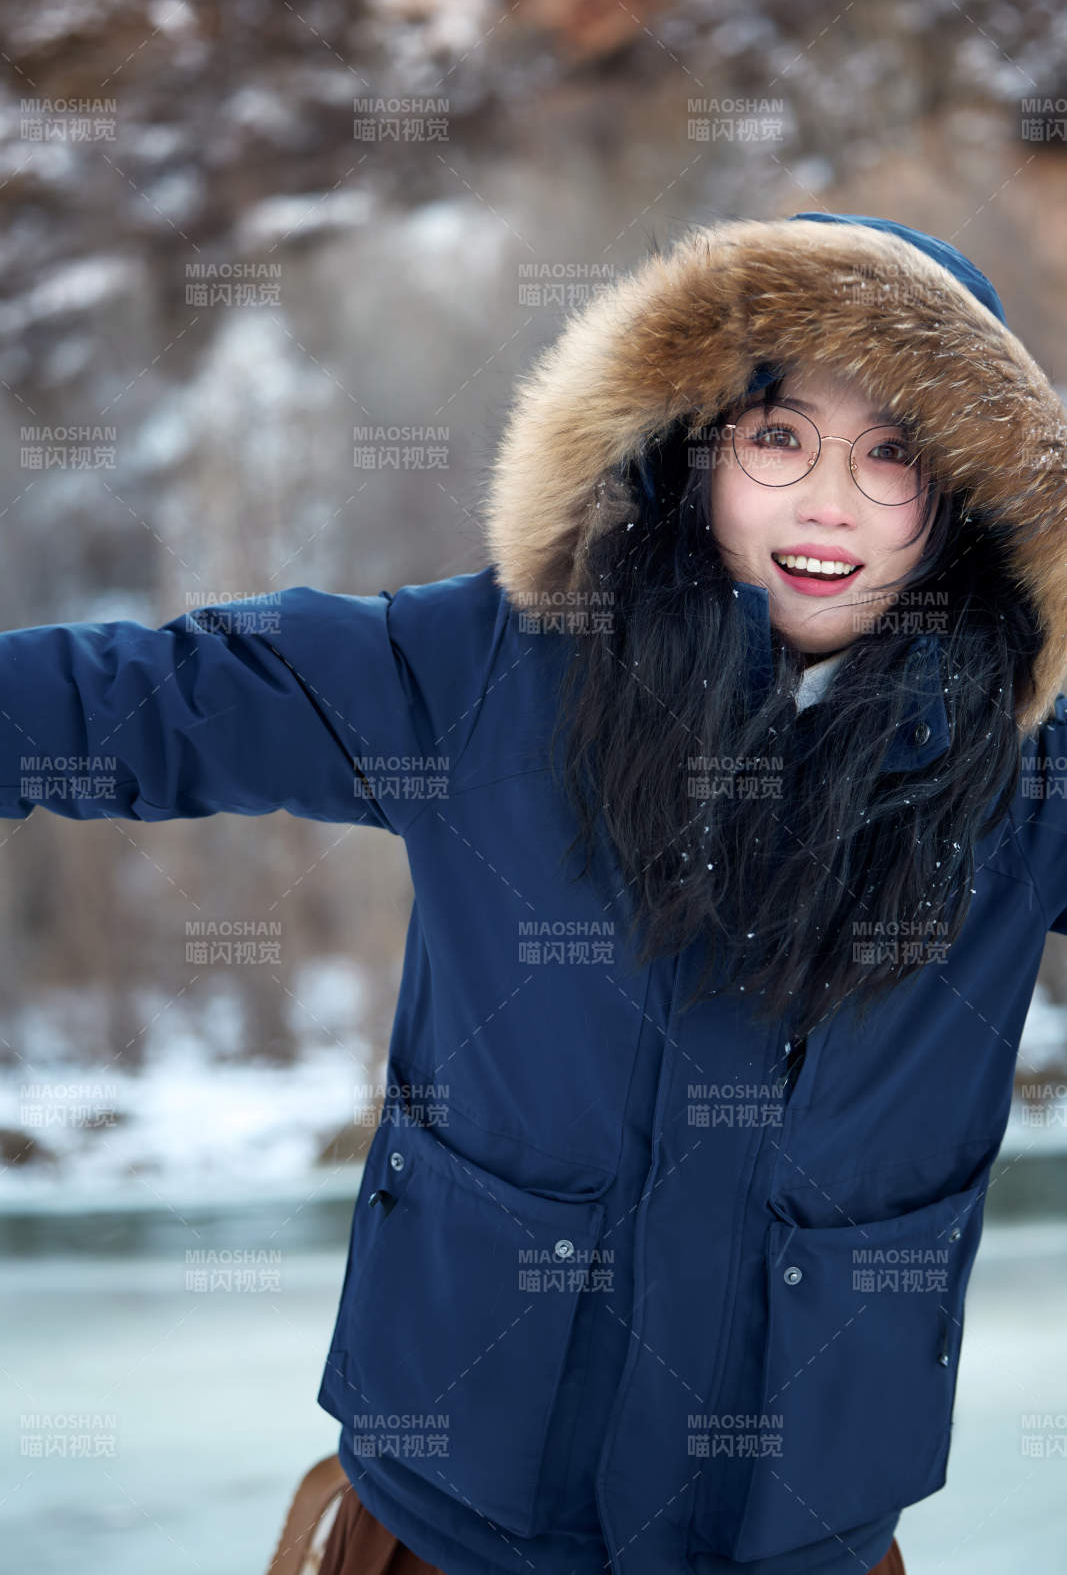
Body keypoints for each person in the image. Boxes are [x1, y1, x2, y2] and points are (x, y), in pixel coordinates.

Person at [5, 212, 1066, 1575]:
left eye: (893, 456)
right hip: (446, 1535)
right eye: (778, 437)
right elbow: (159, 700)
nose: (828, 504)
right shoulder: (491, 674)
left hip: (805, 1546)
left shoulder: (1023, 782)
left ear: (966, 497)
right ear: (693, 449)